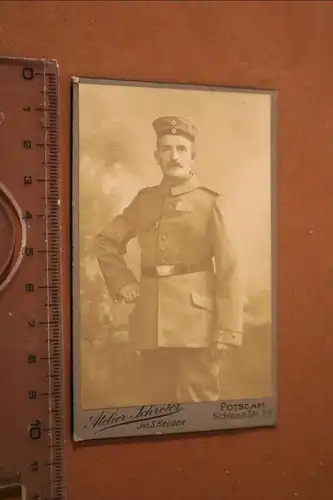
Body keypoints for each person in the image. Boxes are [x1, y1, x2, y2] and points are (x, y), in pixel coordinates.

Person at [95, 115, 244, 405]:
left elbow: (231, 269)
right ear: (157, 156)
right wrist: (122, 280)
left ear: (193, 157)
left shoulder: (211, 203)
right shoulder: (144, 201)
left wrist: (227, 330)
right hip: (150, 323)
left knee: (197, 404)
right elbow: (106, 241)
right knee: (155, 407)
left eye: (181, 149)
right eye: (166, 149)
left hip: (196, 326)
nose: (174, 156)